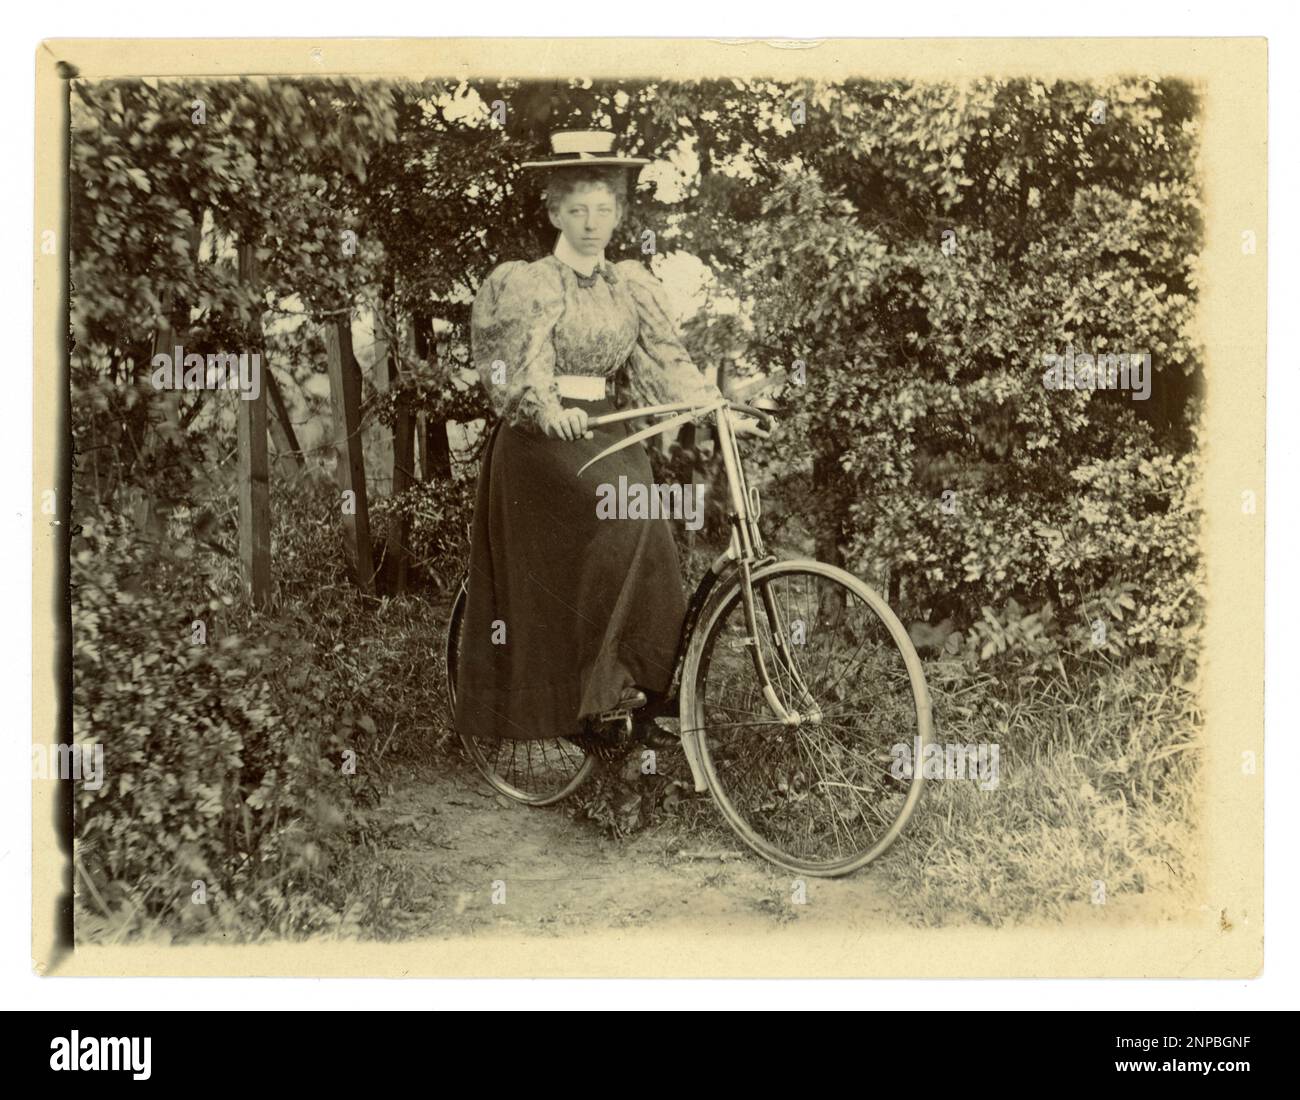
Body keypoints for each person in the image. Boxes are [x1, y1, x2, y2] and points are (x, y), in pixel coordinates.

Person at [453, 129, 762, 753]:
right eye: (577, 210)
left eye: (604, 209)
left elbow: (664, 359)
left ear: (619, 212)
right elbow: (521, 363)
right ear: (554, 212)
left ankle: (641, 695)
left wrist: (716, 404)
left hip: (606, 427)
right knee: (626, 519)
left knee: (652, 531)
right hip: (543, 439)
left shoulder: (628, 284)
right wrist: (548, 408)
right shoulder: (532, 282)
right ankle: (598, 694)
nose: (592, 223)